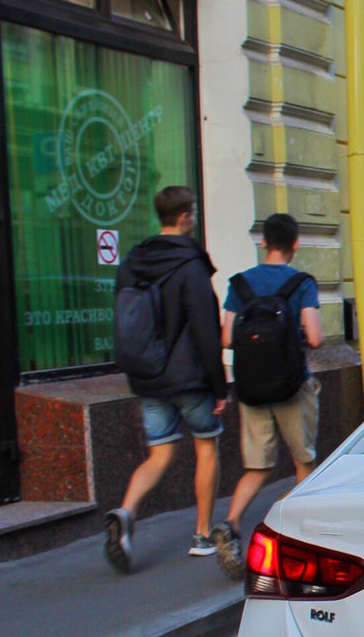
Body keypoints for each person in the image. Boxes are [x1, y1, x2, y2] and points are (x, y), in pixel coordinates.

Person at [103, 186, 227, 573]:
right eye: (193, 212)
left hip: (147, 375)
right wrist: (219, 385)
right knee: (206, 448)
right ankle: (202, 536)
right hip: (190, 378)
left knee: (159, 454)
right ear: (185, 217)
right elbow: (205, 328)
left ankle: (126, 511)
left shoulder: (133, 262)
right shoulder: (191, 264)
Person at [210, 213, 322, 579]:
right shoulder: (301, 283)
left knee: (257, 466)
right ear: (295, 244)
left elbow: (227, 338)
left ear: (263, 243)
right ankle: (297, 536)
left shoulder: (240, 284)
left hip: (251, 387)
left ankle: (230, 524)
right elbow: (315, 337)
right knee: (303, 462)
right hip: (292, 386)